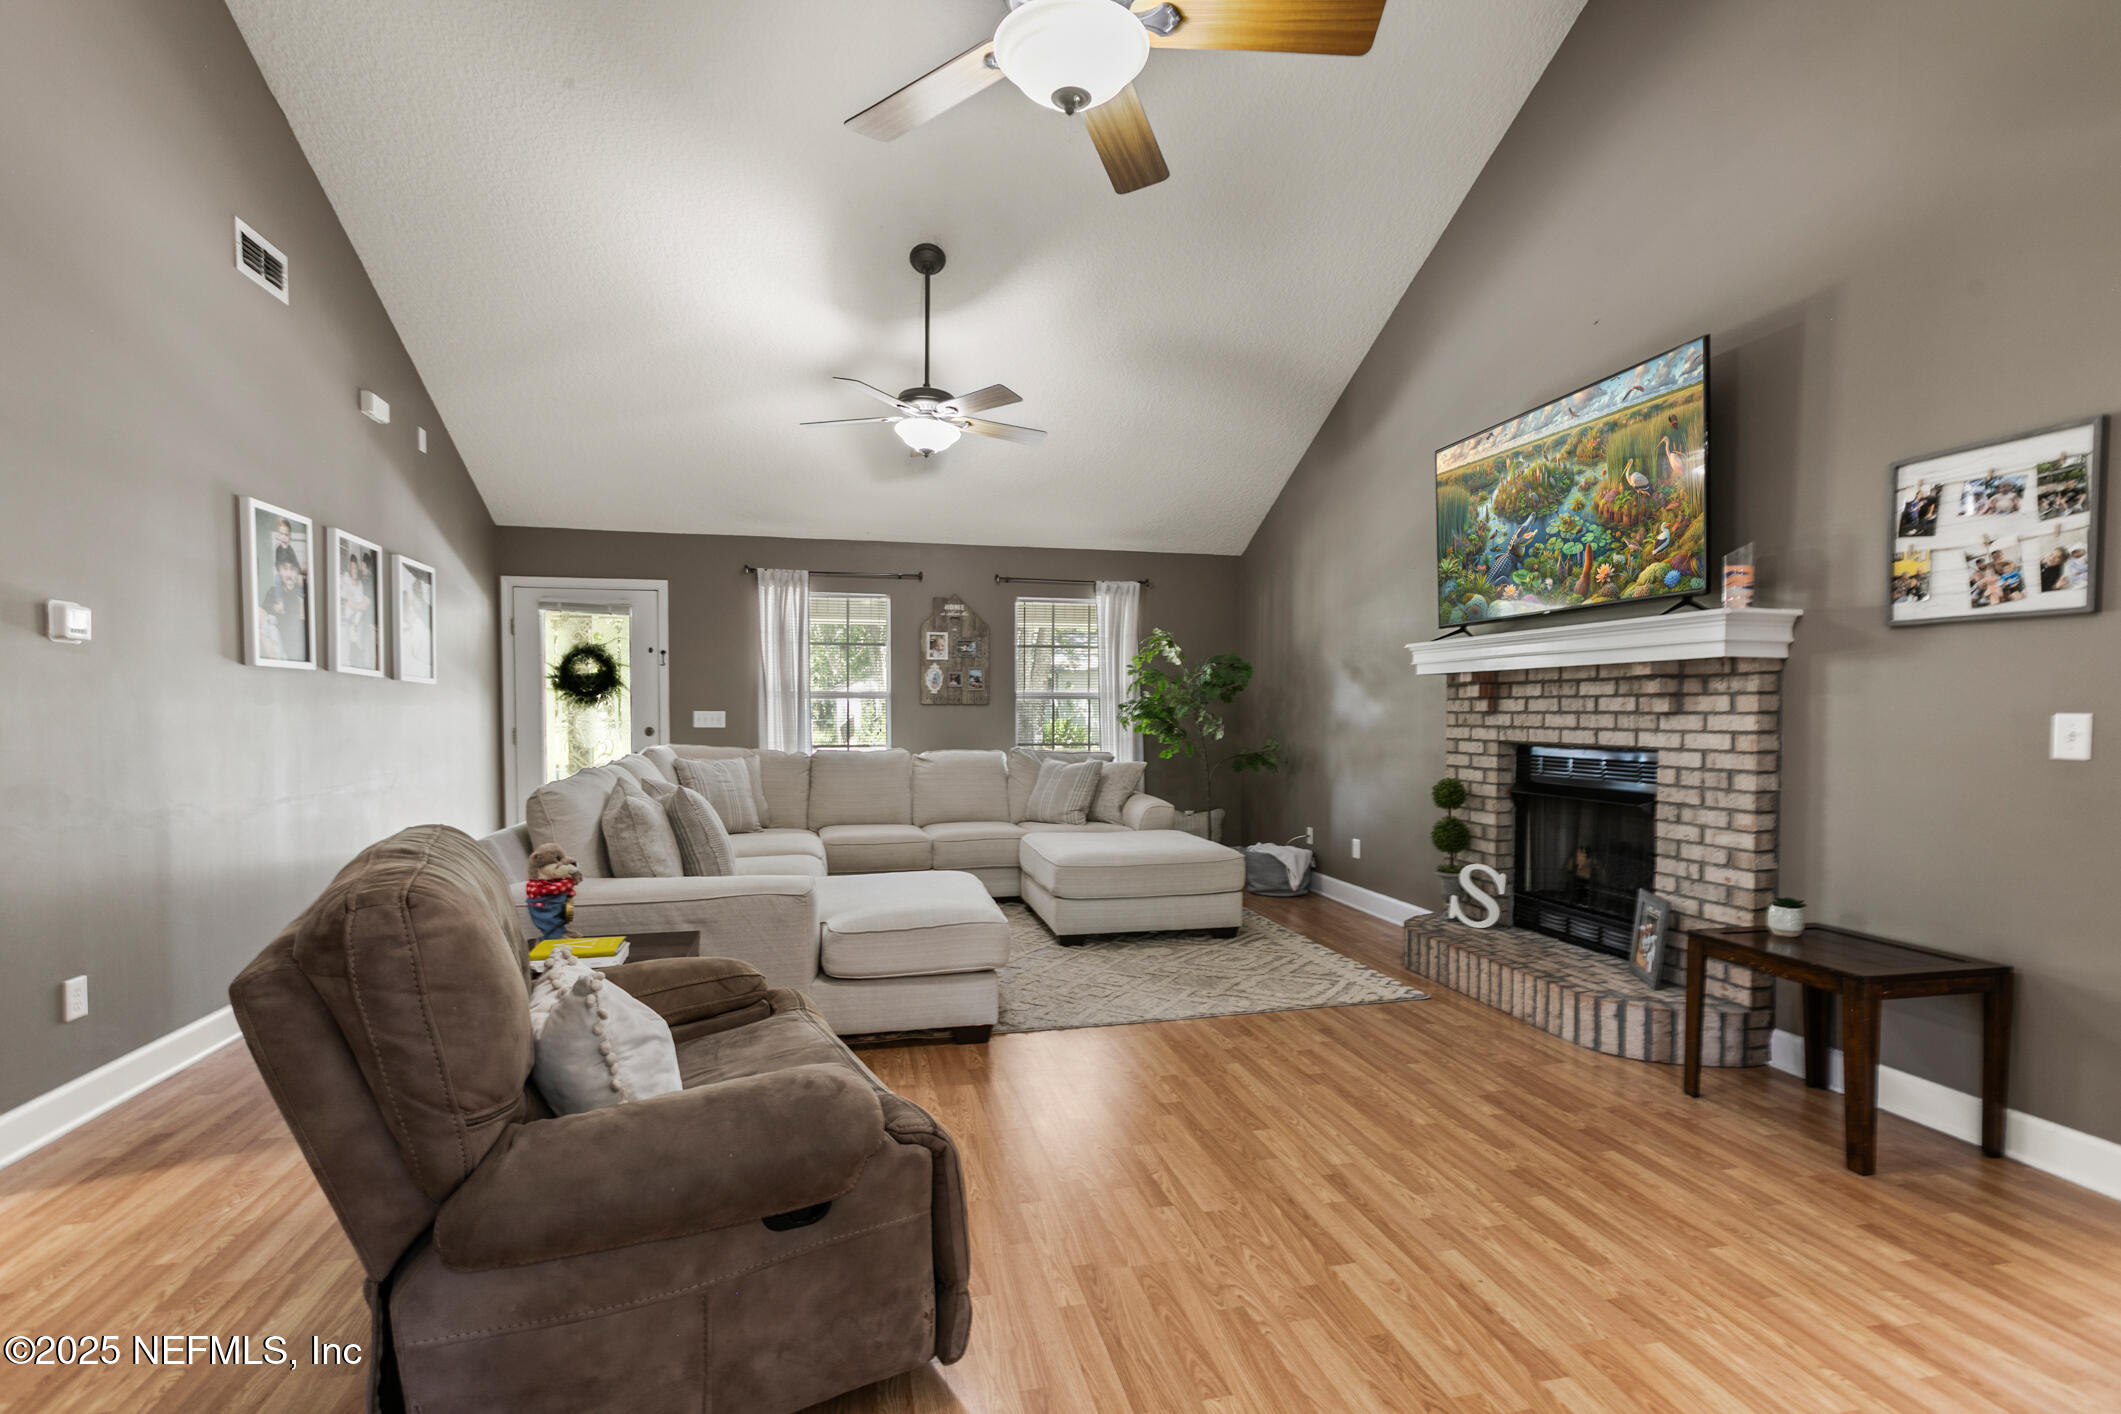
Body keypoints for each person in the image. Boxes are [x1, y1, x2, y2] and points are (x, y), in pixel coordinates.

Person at [263, 544, 308, 660]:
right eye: (285, 569)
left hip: (299, 654)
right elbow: (262, 613)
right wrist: (274, 607)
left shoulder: (302, 594)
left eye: (292, 569)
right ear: (279, 571)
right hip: (280, 655)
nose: (289, 574)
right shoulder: (273, 592)